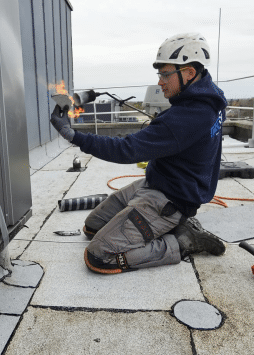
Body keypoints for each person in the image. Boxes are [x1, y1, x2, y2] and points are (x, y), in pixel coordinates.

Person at [49, 33, 228, 274]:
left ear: (189, 73)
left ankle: (183, 241)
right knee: (91, 227)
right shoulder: (212, 97)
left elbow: (126, 149)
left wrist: (72, 135)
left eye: (166, 74)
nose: (160, 82)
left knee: (99, 256)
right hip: (156, 183)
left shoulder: (188, 117)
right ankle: (166, 226)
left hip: (170, 200)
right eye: (160, 75)